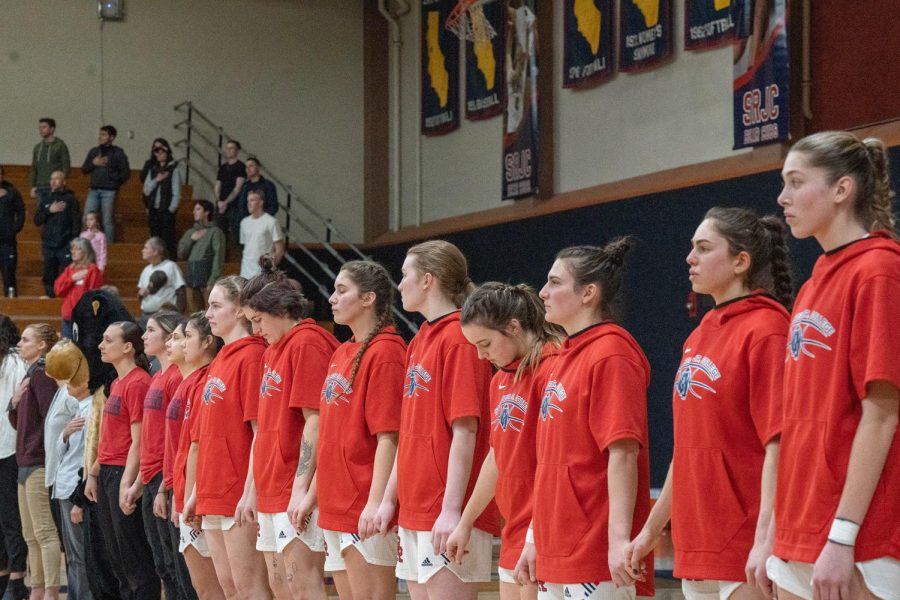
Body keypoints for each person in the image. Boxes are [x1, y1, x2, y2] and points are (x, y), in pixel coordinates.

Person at [625, 207, 794, 600]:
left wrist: (766, 537)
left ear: (741, 261)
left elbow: (780, 444)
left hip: (747, 541)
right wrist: (651, 530)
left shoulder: (768, 330)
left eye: (703, 247)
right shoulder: (699, 335)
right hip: (698, 538)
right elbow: (687, 451)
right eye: (691, 247)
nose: (690, 258)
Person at [767, 131, 900, 600]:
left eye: (796, 182)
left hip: (856, 539)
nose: (783, 197)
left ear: (842, 190)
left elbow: (882, 414)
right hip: (799, 528)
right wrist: (774, 533)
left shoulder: (879, 270)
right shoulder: (814, 282)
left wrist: (842, 536)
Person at [373, 240, 500, 599]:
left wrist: (452, 510)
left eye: (404, 275)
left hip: (445, 510)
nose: (399, 285)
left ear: (427, 280)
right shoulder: (420, 340)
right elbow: (411, 433)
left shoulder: (460, 339)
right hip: (415, 507)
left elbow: (466, 429)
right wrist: (389, 499)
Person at [528, 238, 653, 600]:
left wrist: (617, 542)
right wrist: (536, 539)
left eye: (554, 282)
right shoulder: (563, 358)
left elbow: (623, 453)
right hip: (556, 549)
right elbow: (551, 464)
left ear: (588, 294)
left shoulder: (612, 354)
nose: (543, 292)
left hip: (595, 553)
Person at [446, 282, 562, 600]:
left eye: (485, 343)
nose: (481, 356)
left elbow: (557, 465)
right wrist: (465, 522)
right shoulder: (500, 380)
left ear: (513, 327)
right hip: (513, 530)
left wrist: (536, 536)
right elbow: (498, 456)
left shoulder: (553, 371)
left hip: (548, 532)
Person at [239, 259, 339, 599]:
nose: (255, 331)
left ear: (281, 309)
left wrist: (301, 488)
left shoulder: (307, 342)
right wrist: (253, 490)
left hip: (293, 487)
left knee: (302, 582)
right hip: (270, 485)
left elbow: (317, 419)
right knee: (280, 585)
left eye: (258, 320)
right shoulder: (273, 351)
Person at [315, 261, 406, 600]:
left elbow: (390, 437)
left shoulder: (386, 352)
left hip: (363, 505)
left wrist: (376, 501)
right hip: (334, 502)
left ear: (368, 298)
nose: (332, 299)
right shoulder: (342, 351)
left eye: (342, 290)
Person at [184, 276, 270, 598]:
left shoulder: (252, 356)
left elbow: (259, 432)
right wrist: (195, 492)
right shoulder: (221, 358)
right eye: (208, 305)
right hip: (211, 489)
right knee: (229, 589)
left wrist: (251, 491)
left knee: (251, 589)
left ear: (240, 312)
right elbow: (207, 435)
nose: (208, 313)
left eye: (216, 305)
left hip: (237, 492)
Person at [84, 322, 160, 600]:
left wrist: (127, 482)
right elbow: (108, 436)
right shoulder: (116, 383)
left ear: (128, 347)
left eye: (108, 340)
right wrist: (94, 473)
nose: (101, 345)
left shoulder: (139, 382)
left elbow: (138, 441)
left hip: (123, 473)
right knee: (116, 556)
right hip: (107, 471)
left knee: (134, 558)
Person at [164, 316, 228, 600]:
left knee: (215, 588)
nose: (177, 343)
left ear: (207, 342)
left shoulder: (206, 381)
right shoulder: (186, 382)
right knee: (203, 589)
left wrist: (190, 496)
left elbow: (198, 446)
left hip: (201, 496)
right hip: (184, 491)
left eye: (185, 336)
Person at [8, 323, 62, 600]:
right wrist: (13, 402)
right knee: (30, 534)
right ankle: (37, 588)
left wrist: (39, 449)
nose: (20, 343)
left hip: (38, 460)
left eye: (26, 339)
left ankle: (50, 590)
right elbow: (20, 422)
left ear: (42, 345)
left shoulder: (42, 373)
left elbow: (51, 419)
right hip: (24, 459)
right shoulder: (29, 375)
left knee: (44, 531)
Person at [139, 311, 185, 600]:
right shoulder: (158, 375)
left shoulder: (177, 377)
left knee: (175, 563)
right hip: (150, 474)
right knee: (162, 564)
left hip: (164, 476)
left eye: (151, 330)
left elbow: (177, 437)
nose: (144, 335)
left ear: (169, 336)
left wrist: (164, 485)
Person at [44, 339, 94, 600]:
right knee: (72, 557)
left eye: (73, 380)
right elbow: (62, 451)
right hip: (63, 488)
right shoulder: (76, 410)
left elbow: (86, 459)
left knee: (82, 557)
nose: (67, 385)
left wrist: (79, 500)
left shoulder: (91, 410)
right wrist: (64, 434)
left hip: (74, 492)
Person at [0, 316, 28, 599]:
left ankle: (17, 576)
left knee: (11, 518)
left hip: (10, 449)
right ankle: (3, 572)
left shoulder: (16, 366)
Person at [35, 170, 81, 298]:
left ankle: (67, 298)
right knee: (49, 274)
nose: (53, 181)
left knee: (67, 273)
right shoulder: (45, 199)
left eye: (57, 179)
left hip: (65, 244)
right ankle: (50, 297)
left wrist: (73, 242)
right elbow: (37, 220)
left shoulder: (71, 199)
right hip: (48, 245)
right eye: (51, 179)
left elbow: (76, 222)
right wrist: (49, 210)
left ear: (64, 182)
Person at [81, 125, 130, 242]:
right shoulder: (94, 151)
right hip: (93, 189)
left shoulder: (118, 153)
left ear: (111, 137)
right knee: (86, 217)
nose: (100, 137)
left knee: (107, 220)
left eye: (104, 134)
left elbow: (126, 173)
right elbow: (84, 169)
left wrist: (113, 181)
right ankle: (85, 244)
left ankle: (108, 248)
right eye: (100, 134)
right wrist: (93, 163)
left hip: (109, 191)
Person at [177, 201, 225, 312]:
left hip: (207, 278)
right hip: (191, 278)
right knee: (196, 316)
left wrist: (213, 280)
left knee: (211, 313)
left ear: (207, 212)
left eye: (198, 209)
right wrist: (191, 240)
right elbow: (181, 253)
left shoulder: (215, 232)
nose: (194, 212)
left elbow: (219, 257)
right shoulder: (190, 232)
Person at [54, 238, 104, 339]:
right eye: (72, 249)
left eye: (77, 249)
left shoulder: (93, 270)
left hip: (84, 318)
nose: (73, 252)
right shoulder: (70, 269)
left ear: (85, 251)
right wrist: (72, 278)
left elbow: (93, 295)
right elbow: (58, 290)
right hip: (68, 316)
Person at [142, 139, 181, 255]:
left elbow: (176, 193)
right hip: (154, 209)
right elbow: (146, 190)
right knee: (155, 238)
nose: (159, 155)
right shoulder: (153, 170)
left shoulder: (174, 170)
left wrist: (171, 210)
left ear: (167, 153)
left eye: (162, 152)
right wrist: (157, 180)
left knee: (167, 239)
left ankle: (168, 260)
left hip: (166, 210)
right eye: (156, 152)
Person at [137, 237, 187, 323]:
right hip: (146, 315)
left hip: (164, 317)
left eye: (146, 248)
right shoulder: (146, 269)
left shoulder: (170, 266)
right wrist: (140, 294)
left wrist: (178, 314)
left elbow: (181, 291)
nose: (142, 250)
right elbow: (140, 293)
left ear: (156, 251)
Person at [239, 190, 284, 279]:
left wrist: (271, 269)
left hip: (263, 273)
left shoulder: (271, 222)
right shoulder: (244, 222)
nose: (249, 203)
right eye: (248, 201)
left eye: (252, 200)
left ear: (261, 202)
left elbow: (280, 250)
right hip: (245, 272)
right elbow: (246, 248)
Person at [30, 118, 71, 202]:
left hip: (55, 187)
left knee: (56, 211)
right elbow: (34, 168)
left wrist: (60, 183)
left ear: (52, 129)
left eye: (44, 127)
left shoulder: (60, 146)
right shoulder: (37, 147)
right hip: (40, 187)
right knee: (41, 213)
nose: (41, 130)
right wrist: (33, 186)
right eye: (40, 127)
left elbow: (66, 166)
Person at [0, 166, 26, 298]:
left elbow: (21, 212)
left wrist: (14, 229)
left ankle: (11, 305)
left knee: (9, 275)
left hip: (7, 243)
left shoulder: (12, 193)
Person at [214, 140, 246, 242]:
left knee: (235, 234)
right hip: (220, 204)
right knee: (219, 234)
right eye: (227, 148)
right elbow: (217, 184)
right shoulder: (223, 167)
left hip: (233, 205)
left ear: (237, 151)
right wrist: (218, 200)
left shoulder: (241, 166)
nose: (228, 150)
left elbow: (238, 187)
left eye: (231, 148)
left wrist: (226, 202)